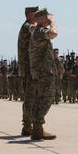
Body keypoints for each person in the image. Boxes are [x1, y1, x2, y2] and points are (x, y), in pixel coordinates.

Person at [29, 8, 58, 140]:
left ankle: (37, 128)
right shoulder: (40, 31)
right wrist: (52, 22)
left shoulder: (37, 30)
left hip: (41, 71)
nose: (48, 18)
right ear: (41, 19)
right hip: (44, 72)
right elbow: (53, 34)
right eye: (46, 17)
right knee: (46, 98)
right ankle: (38, 128)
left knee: (41, 98)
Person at [17, 6, 38, 136]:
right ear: (29, 15)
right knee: (30, 97)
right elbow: (34, 30)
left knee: (32, 97)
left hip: (30, 68)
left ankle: (28, 124)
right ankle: (27, 125)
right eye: (36, 14)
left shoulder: (27, 25)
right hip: (29, 68)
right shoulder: (27, 26)